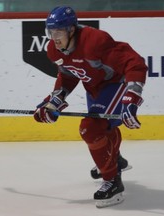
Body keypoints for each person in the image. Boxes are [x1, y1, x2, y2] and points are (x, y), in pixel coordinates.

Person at [34, 6, 147, 208]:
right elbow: (68, 75)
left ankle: (113, 182)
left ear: (71, 30)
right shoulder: (53, 49)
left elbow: (134, 62)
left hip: (115, 83)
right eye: (50, 32)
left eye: (58, 32)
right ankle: (115, 160)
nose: (54, 37)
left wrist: (132, 97)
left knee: (91, 128)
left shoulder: (95, 41)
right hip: (94, 88)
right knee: (103, 128)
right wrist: (54, 101)